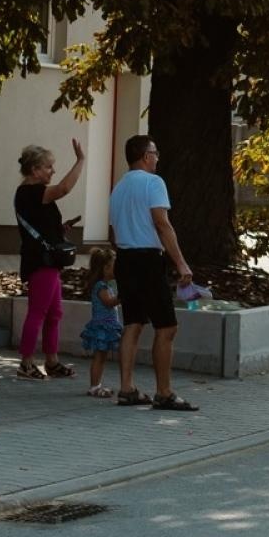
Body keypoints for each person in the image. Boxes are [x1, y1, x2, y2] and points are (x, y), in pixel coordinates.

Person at [107, 134, 198, 411]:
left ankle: (126, 389)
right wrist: (181, 263)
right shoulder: (153, 182)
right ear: (146, 156)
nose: (158, 157)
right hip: (148, 261)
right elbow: (162, 224)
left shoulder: (119, 187)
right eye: (155, 153)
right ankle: (164, 392)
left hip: (124, 259)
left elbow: (113, 232)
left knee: (133, 323)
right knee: (167, 326)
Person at [14, 140, 86, 380]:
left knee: (54, 313)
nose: (52, 171)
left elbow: (41, 223)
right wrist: (80, 161)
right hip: (40, 262)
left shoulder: (34, 194)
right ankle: (26, 363)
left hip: (48, 261)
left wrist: (59, 230)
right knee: (38, 312)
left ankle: (52, 361)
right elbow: (64, 188)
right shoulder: (30, 192)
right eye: (48, 167)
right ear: (34, 170)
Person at [79, 247, 124, 398]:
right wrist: (123, 295)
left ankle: (97, 384)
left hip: (107, 325)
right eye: (114, 266)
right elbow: (109, 302)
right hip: (102, 326)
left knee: (102, 357)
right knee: (99, 357)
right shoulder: (101, 286)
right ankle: (94, 386)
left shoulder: (107, 286)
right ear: (105, 268)